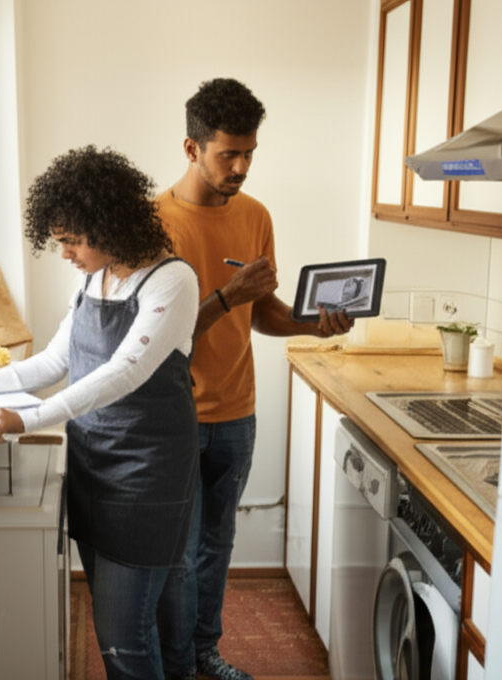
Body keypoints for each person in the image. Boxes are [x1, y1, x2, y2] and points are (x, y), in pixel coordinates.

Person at [0, 145, 201, 680]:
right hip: (94, 462)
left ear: (106, 224)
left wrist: (24, 418)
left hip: (147, 476)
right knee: (125, 627)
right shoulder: (94, 276)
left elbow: (124, 373)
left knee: (125, 641)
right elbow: (54, 360)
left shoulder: (172, 282)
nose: (64, 252)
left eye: (71, 239)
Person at [154, 78, 353, 680]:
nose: (240, 167)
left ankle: (206, 653)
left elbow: (262, 312)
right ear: (191, 149)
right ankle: (178, 665)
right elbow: (157, 335)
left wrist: (311, 326)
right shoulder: (155, 222)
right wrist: (226, 294)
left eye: (249, 154)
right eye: (227, 155)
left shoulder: (256, 216)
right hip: (176, 416)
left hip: (238, 413)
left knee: (217, 548)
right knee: (180, 558)